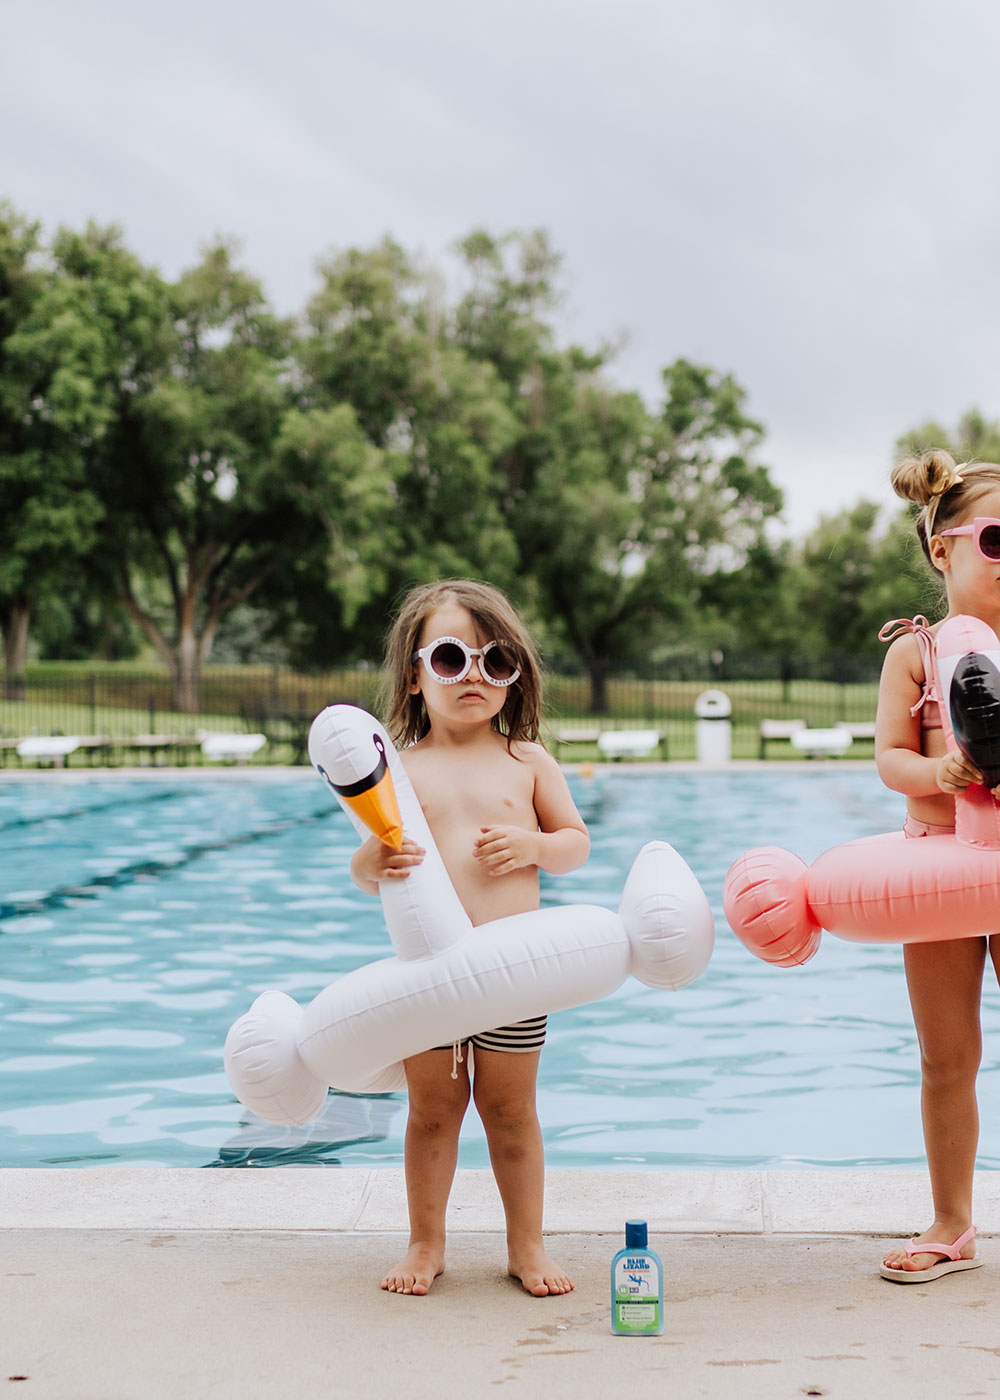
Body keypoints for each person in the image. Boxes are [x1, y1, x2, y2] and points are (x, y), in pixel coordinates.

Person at [349, 578, 590, 1297]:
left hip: (514, 976)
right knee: (432, 1114)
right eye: (452, 659)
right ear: (417, 676)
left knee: (512, 1114)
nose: (474, 677)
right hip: (429, 976)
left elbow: (575, 842)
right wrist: (373, 861)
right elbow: (366, 871)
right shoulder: (397, 771)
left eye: (496, 660)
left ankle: (527, 1246)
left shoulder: (528, 762)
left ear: (516, 674)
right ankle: (426, 1242)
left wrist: (534, 847)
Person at [876, 449, 1000, 1282]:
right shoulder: (915, 654)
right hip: (940, 872)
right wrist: (938, 773)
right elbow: (890, 757)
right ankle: (953, 1221)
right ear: (942, 550)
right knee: (945, 1056)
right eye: (997, 539)